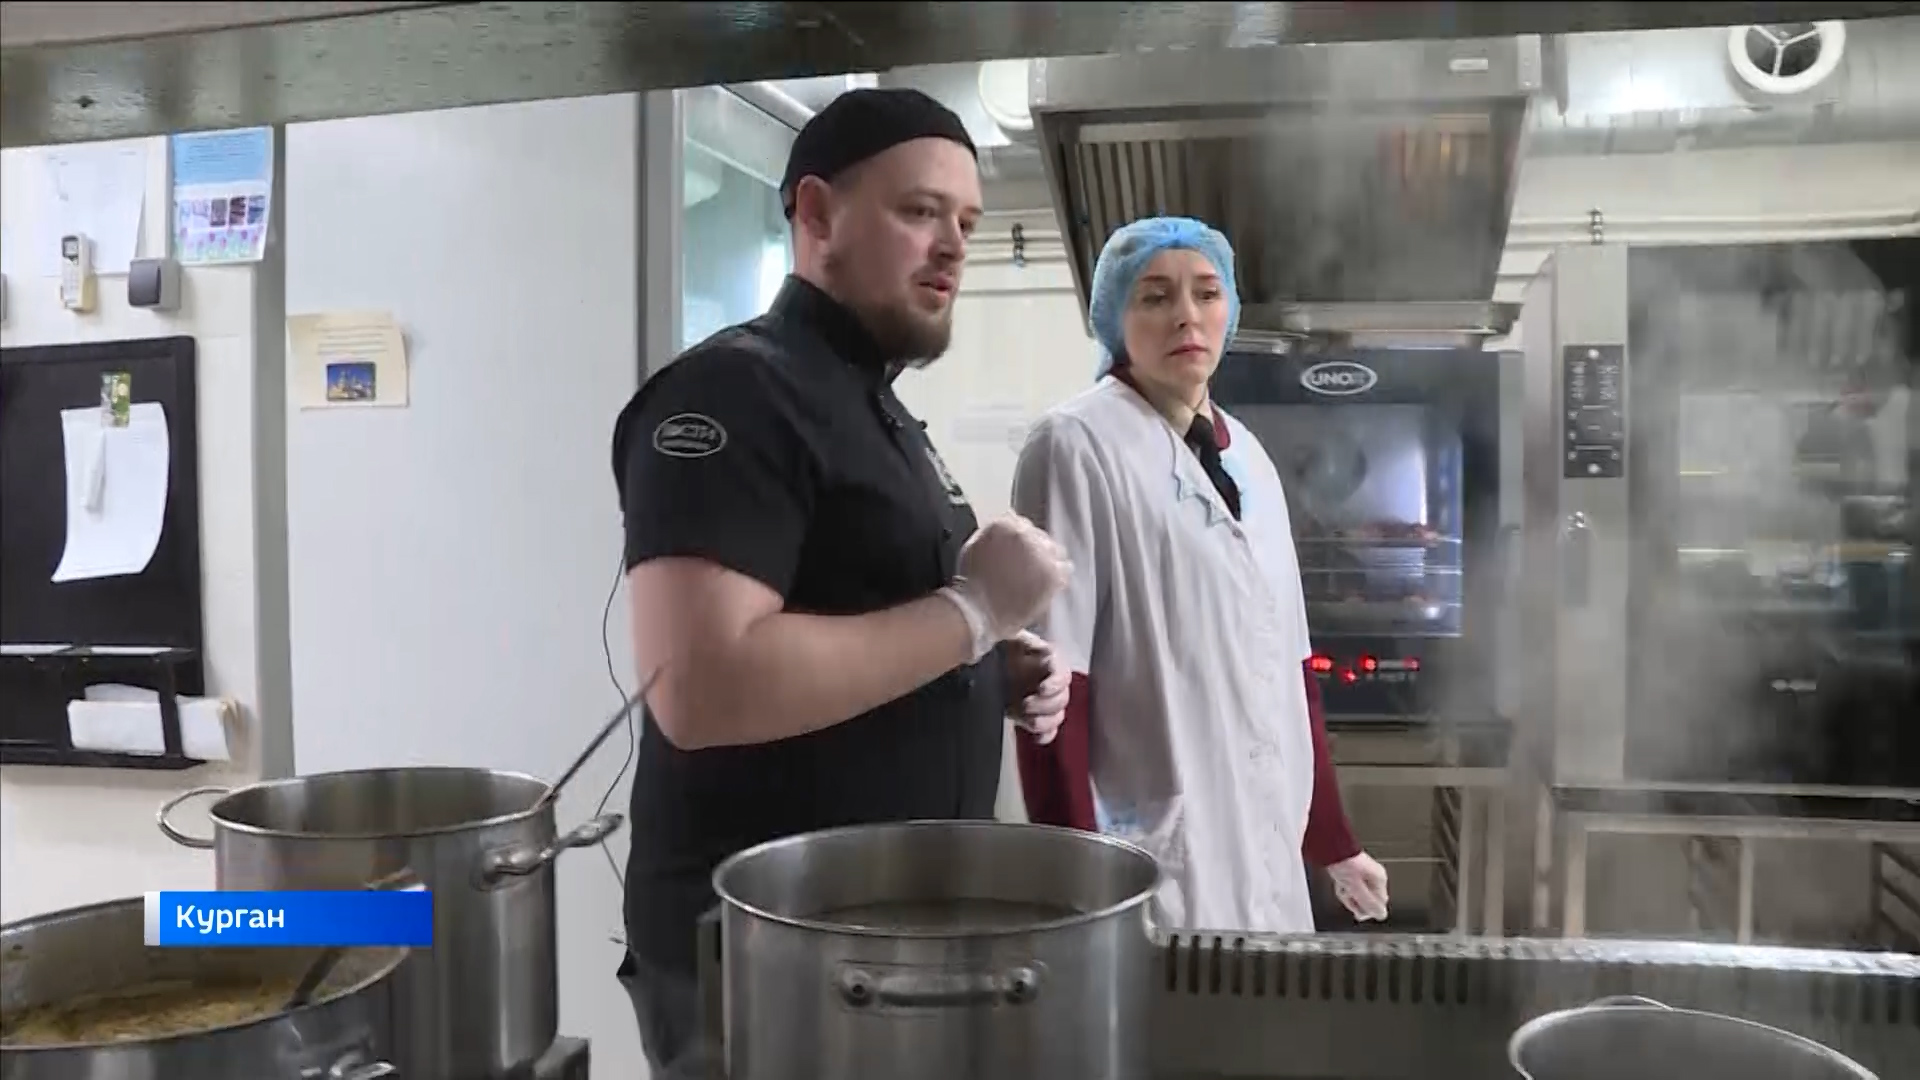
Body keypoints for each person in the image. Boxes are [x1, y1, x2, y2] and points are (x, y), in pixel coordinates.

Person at [609, 88, 1075, 1078]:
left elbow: (862, 630)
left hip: (875, 944)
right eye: (920, 211)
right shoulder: (735, 391)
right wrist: (973, 613)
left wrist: (983, 671)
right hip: (767, 959)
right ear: (816, 214)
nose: (952, 247)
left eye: (966, 223)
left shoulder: (876, 410)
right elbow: (700, 685)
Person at [1008, 215, 1391, 934]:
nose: (1187, 314)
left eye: (1207, 293)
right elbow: (1052, 689)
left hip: (1271, 862)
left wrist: (1333, 843)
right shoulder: (1075, 446)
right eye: (1155, 297)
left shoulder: (1250, 457)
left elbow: (1292, 673)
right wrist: (1074, 886)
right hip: (1152, 871)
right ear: (1116, 319)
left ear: (1230, 311)